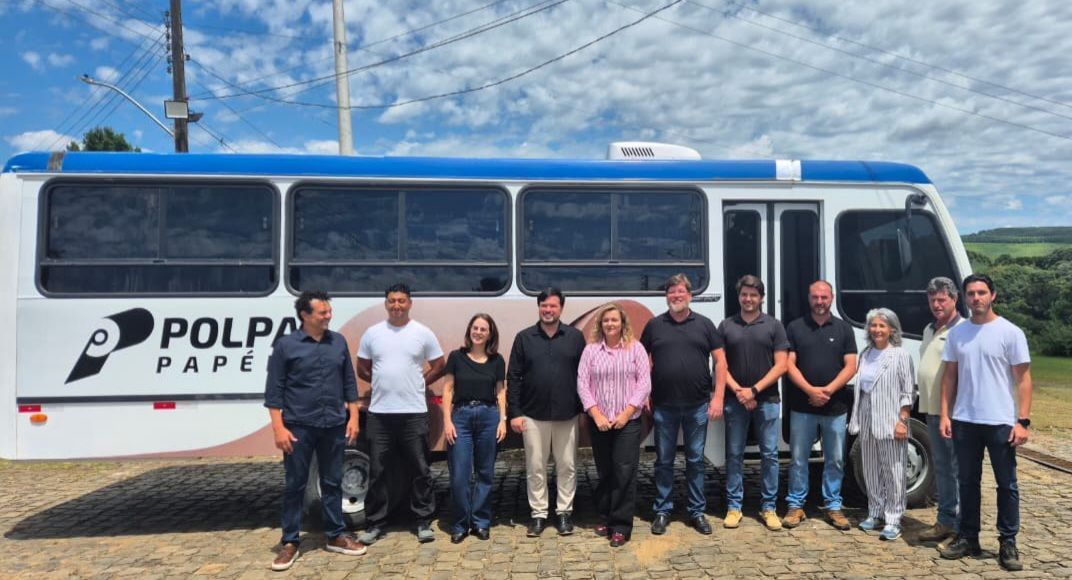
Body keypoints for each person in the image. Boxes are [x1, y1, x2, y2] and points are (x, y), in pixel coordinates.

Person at [264, 290, 366, 572]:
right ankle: (290, 542)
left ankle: (336, 535)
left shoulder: (338, 342)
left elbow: (349, 383)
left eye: (329, 311)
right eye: (323, 312)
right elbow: (274, 390)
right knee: (295, 484)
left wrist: (354, 416)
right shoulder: (286, 346)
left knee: (332, 481)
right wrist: (278, 428)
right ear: (305, 315)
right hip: (299, 426)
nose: (328, 316)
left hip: (333, 424)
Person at [939, 274, 1032, 572]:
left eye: (981, 292)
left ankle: (1008, 541)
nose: (976, 298)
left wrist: (1023, 421)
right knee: (967, 483)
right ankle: (969, 537)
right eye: (971, 293)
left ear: (993, 295)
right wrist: (945, 414)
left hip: (1000, 420)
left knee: (1007, 484)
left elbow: (1023, 379)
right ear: (964, 298)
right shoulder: (958, 334)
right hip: (965, 419)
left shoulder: (1010, 332)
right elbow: (949, 377)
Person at [357, 283, 445, 545]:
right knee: (378, 471)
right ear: (386, 303)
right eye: (392, 301)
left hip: (414, 413)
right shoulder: (372, 333)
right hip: (379, 414)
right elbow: (362, 367)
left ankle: (423, 521)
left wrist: (420, 381)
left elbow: (439, 365)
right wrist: (379, 381)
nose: (397, 305)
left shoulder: (422, 333)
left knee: (420, 469)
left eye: (401, 301)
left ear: (409, 304)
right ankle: (375, 523)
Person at [640, 273, 727, 536]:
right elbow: (641, 361)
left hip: (697, 405)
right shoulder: (654, 325)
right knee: (664, 461)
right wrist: (644, 393)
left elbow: (720, 362)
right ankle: (662, 510)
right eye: (671, 292)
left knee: (695, 461)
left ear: (690, 295)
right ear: (666, 296)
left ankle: (697, 511)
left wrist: (718, 397)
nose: (676, 296)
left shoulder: (705, 324)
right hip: (663, 405)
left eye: (680, 291)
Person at [508, 287, 587, 537]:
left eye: (553, 305)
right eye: (544, 305)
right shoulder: (524, 338)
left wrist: (583, 409)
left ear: (561, 308)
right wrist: (515, 412)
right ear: (538, 307)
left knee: (567, 466)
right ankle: (539, 514)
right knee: (535, 467)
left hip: (567, 414)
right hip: (532, 414)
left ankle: (564, 513)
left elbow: (584, 376)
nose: (548, 310)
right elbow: (514, 377)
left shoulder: (575, 337)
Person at [782, 280, 858, 531]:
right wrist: (810, 390)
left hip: (835, 407)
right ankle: (796, 505)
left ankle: (833, 505)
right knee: (798, 459)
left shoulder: (844, 328)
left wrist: (828, 390)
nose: (819, 301)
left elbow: (851, 366)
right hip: (802, 406)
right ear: (809, 298)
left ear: (831, 298)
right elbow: (789, 364)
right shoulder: (795, 327)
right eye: (815, 297)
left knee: (835, 459)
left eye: (824, 297)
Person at [576, 303, 651, 547]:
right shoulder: (590, 351)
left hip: (627, 422)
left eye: (614, 320)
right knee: (605, 471)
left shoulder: (636, 348)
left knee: (624, 472)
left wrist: (626, 413)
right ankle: (606, 518)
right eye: (606, 320)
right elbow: (582, 383)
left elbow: (644, 384)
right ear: (601, 324)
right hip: (600, 422)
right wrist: (596, 414)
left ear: (622, 323)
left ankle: (620, 526)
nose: (610, 324)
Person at [719, 275, 789, 531]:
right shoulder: (726, 325)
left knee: (769, 455)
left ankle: (769, 508)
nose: (748, 299)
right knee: (734, 454)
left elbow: (781, 365)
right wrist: (740, 391)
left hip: (767, 399)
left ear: (761, 298)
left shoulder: (774, 326)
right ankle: (734, 507)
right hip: (735, 399)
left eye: (753, 295)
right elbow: (720, 364)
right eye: (744, 295)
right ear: (738, 297)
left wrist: (754, 391)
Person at [847, 308, 915, 542]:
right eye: (873, 325)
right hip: (867, 419)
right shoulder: (866, 353)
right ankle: (875, 511)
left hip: (891, 419)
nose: (876, 330)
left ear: (892, 329)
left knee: (894, 471)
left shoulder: (900, 355)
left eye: (882, 326)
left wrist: (902, 421)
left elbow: (908, 392)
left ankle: (893, 518)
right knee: (871, 469)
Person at [442, 313, 507, 544]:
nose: (478, 332)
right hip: (461, 417)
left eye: (483, 329)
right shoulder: (456, 357)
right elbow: (447, 390)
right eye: (475, 328)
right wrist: (447, 421)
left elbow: (500, 391)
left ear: (490, 334)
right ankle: (460, 524)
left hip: (489, 417)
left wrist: (503, 420)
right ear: (469, 330)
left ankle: (480, 522)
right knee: (460, 474)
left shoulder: (497, 360)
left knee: (485, 472)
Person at [916, 277, 963, 545]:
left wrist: (951, 411)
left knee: (957, 470)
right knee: (943, 469)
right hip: (932, 410)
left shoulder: (962, 330)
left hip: (953, 413)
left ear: (954, 299)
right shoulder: (928, 329)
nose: (936, 304)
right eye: (932, 300)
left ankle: (960, 526)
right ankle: (945, 521)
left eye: (942, 299)